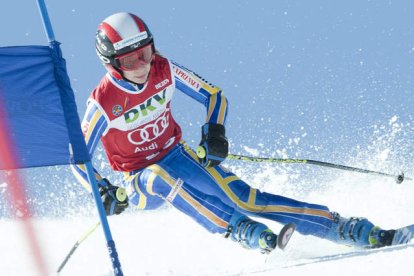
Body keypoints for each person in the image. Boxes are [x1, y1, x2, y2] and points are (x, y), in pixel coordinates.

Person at [72, 12, 399, 254]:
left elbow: (213, 95)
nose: (142, 65)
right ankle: (239, 228)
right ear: (111, 64)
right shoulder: (103, 102)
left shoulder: (164, 68)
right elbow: (78, 156)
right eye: (130, 61)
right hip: (138, 179)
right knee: (158, 177)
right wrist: (101, 189)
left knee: (245, 197)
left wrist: (214, 133)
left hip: (178, 155)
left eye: (145, 52)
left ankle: (345, 228)